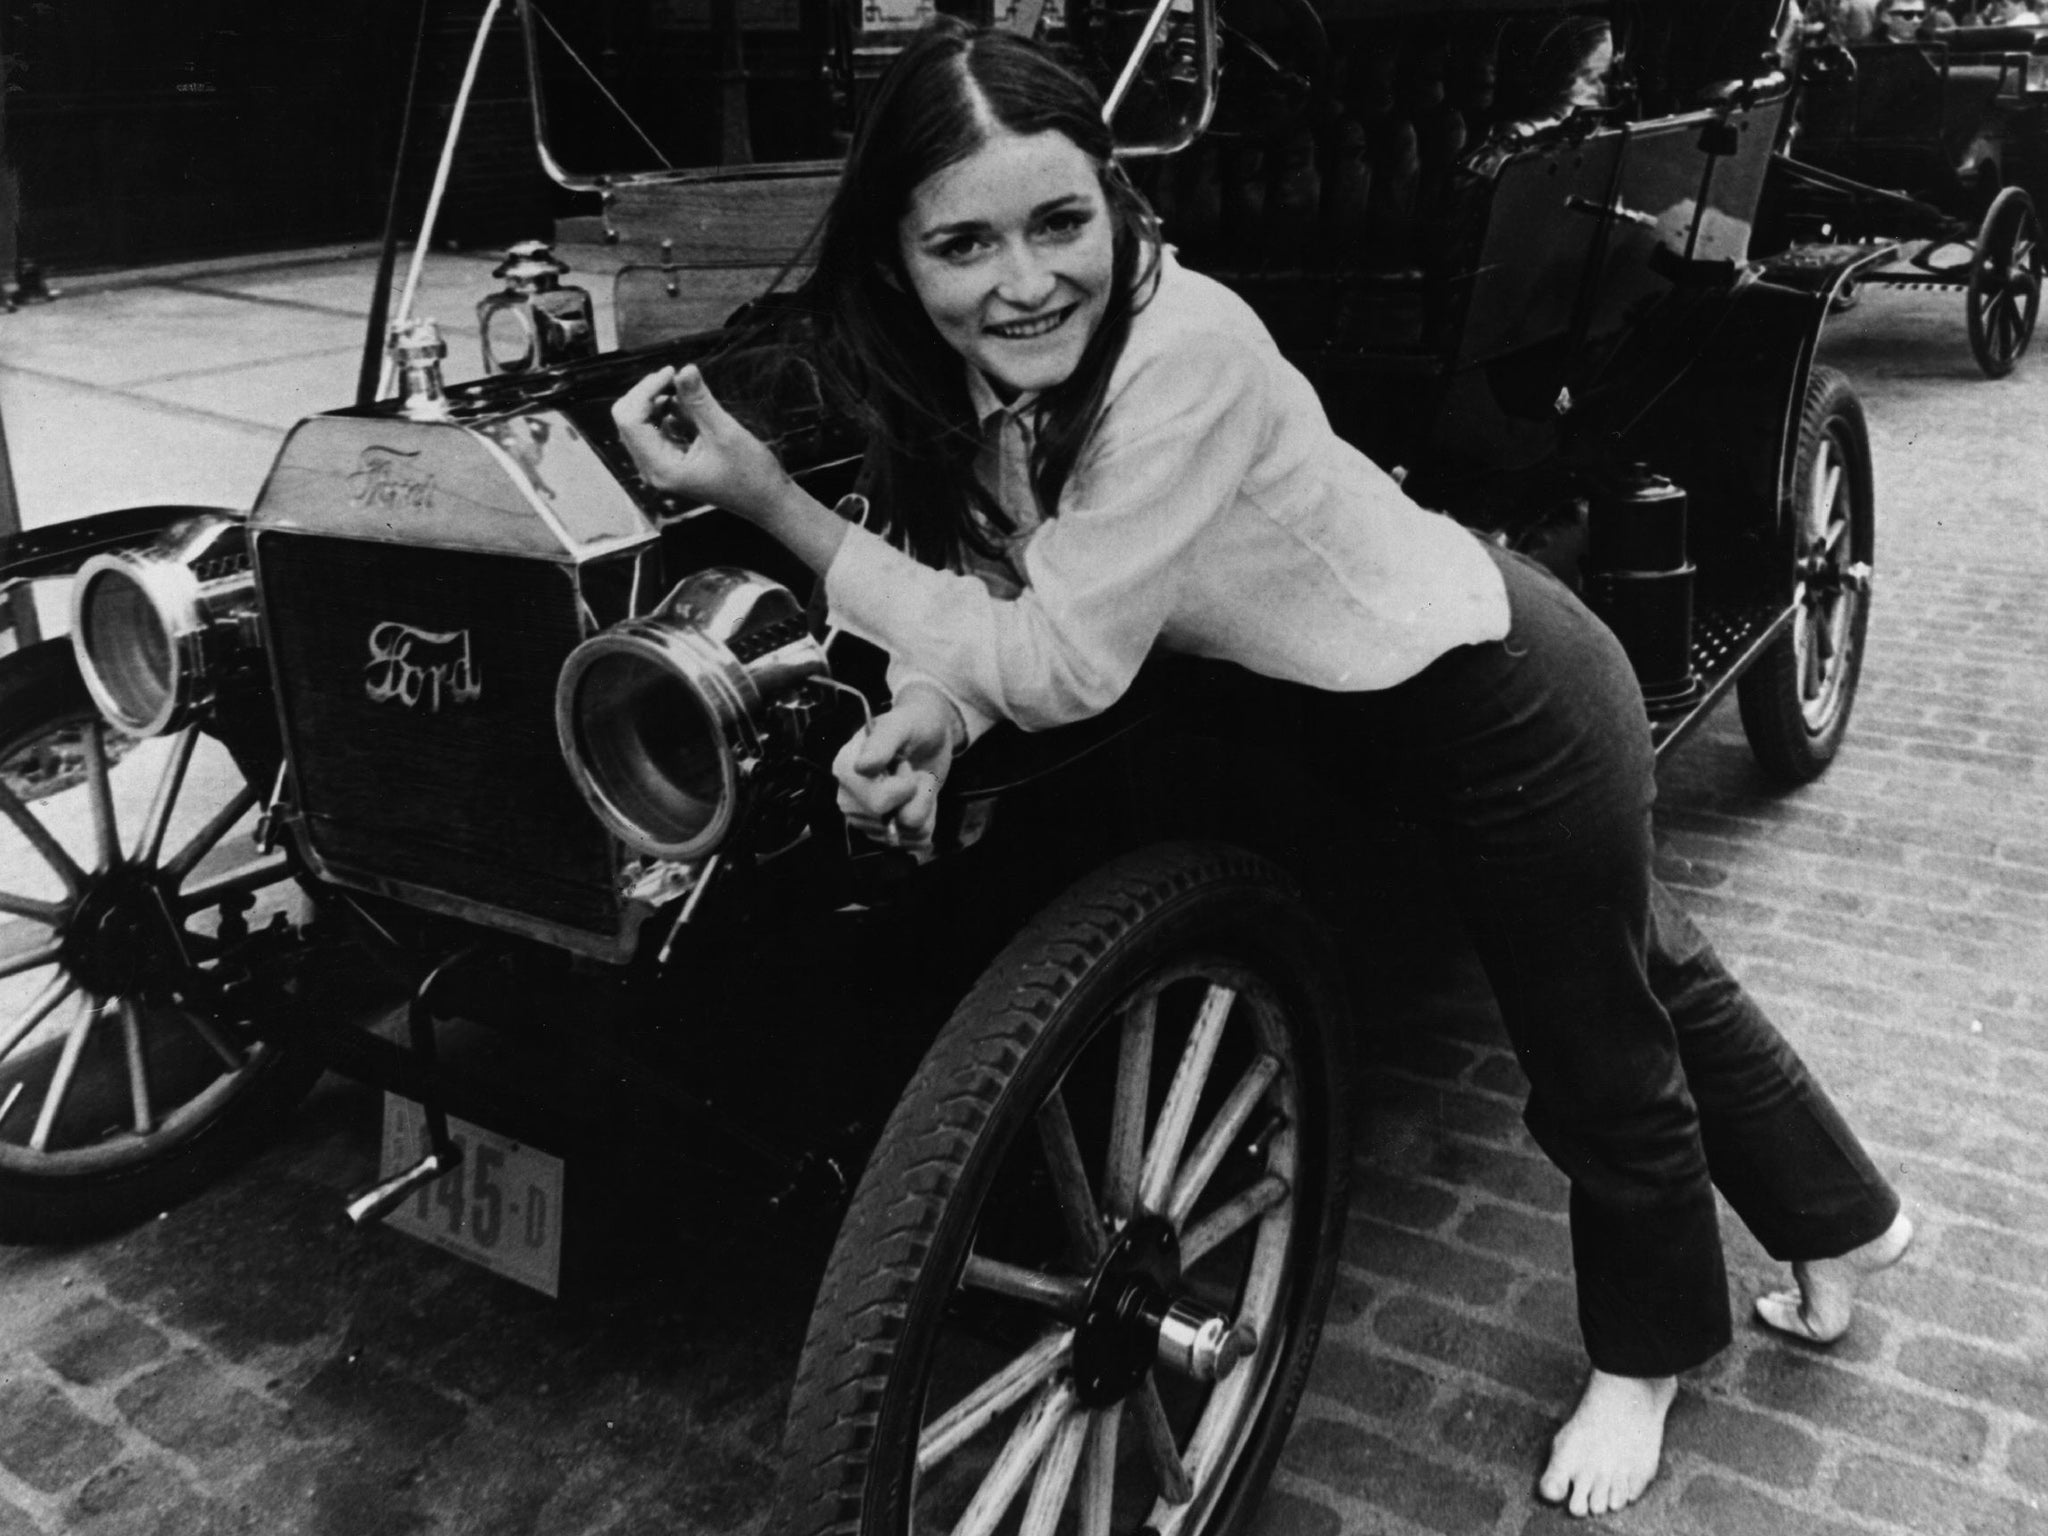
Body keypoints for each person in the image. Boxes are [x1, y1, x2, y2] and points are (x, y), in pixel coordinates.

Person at [610, 21, 1912, 1520]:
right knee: (1646, 964)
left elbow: (1062, 661)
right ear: (898, 255)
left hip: (1499, 700)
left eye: (1058, 223)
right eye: (961, 242)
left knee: (1596, 1032)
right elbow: (978, 571)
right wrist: (932, 708)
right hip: (1345, 713)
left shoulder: (1190, 353)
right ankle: (1845, 1219)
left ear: (1117, 202)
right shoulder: (972, 361)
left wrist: (773, 504)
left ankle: (1648, 1355)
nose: (1021, 279)